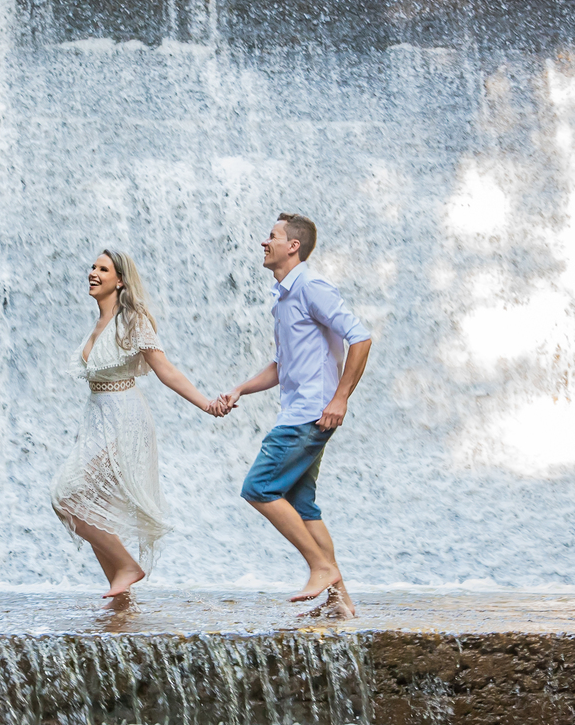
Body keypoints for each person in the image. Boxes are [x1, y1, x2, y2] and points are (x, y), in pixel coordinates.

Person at [214, 213, 371, 618]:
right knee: (303, 506)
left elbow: (361, 337)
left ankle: (321, 568)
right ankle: (340, 602)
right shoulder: (283, 296)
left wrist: (340, 398)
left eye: (272, 236)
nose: (264, 243)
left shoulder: (311, 287)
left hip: (309, 415)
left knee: (259, 487)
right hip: (301, 411)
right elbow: (282, 365)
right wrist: (240, 389)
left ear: (293, 246)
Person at [51, 249, 221, 608]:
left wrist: (206, 404)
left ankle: (127, 567)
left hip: (124, 417)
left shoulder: (133, 320)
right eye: (92, 267)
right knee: (93, 504)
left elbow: (166, 369)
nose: (93, 273)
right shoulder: (98, 322)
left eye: (103, 269)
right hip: (97, 417)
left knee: (66, 497)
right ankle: (121, 600)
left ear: (120, 280)